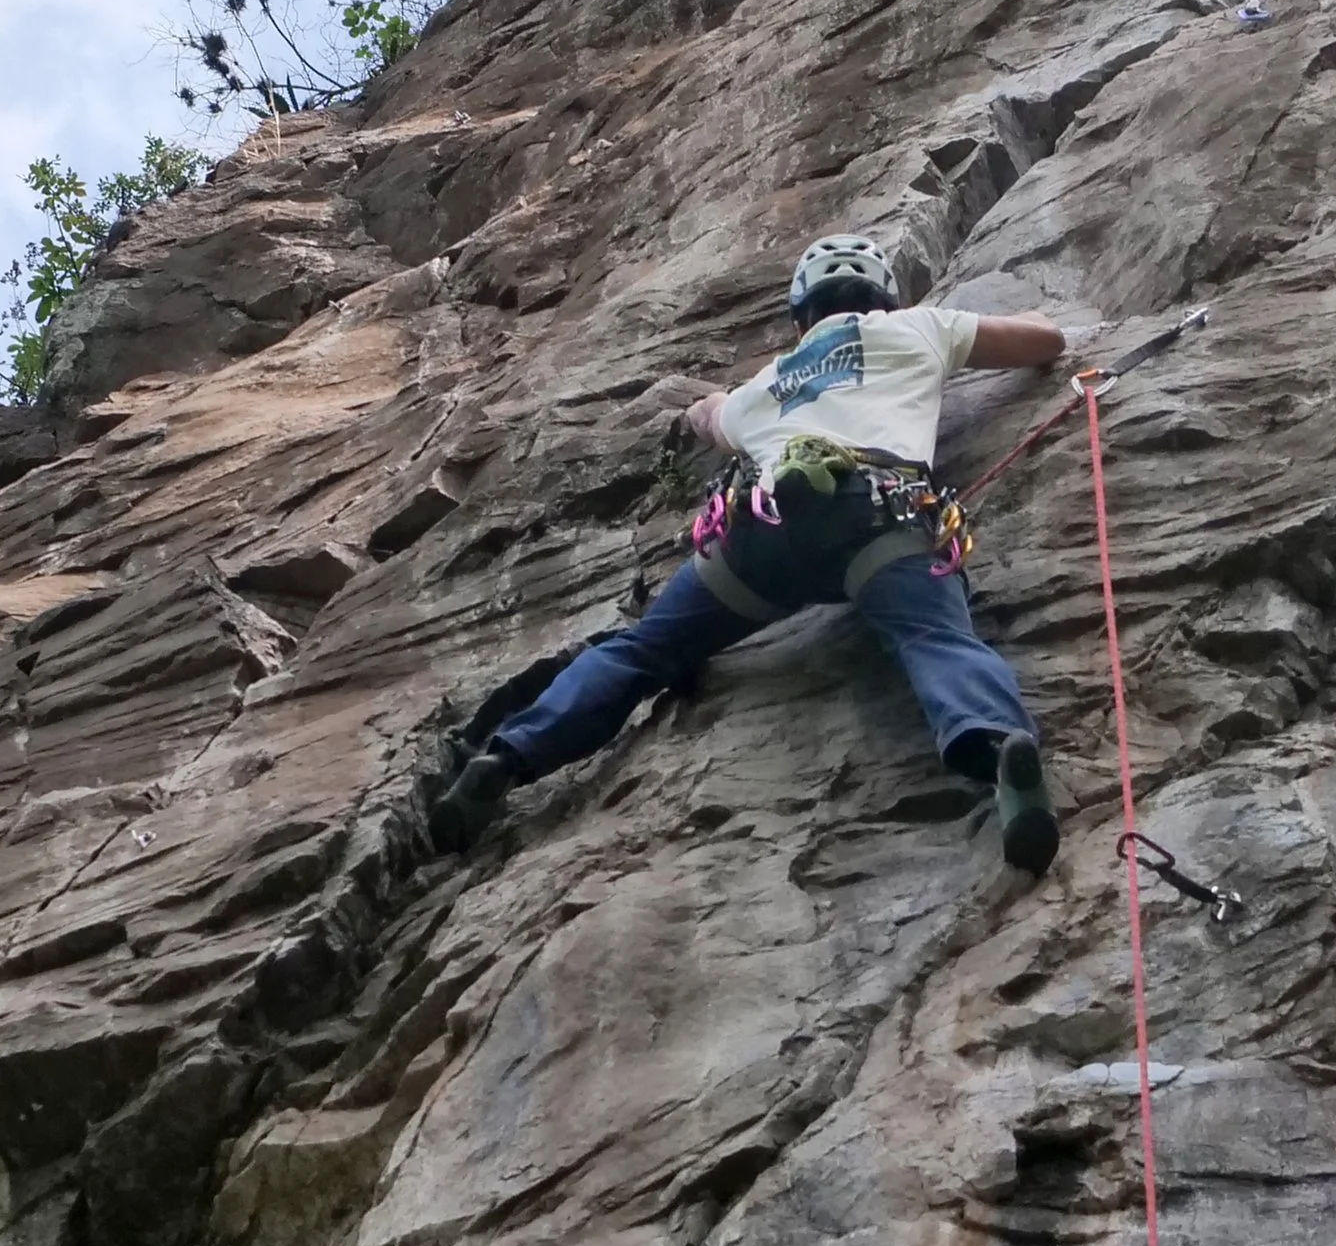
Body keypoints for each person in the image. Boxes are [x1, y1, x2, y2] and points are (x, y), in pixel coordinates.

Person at [431, 233, 1070, 874]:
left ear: (799, 317)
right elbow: (1043, 343)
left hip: (760, 536)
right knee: (937, 638)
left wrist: (712, 405)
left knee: (644, 649)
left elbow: (710, 415)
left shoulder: (766, 384)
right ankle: (995, 747)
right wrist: (1043, 318)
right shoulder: (919, 328)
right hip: (879, 519)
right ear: (883, 298)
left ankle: (507, 757)